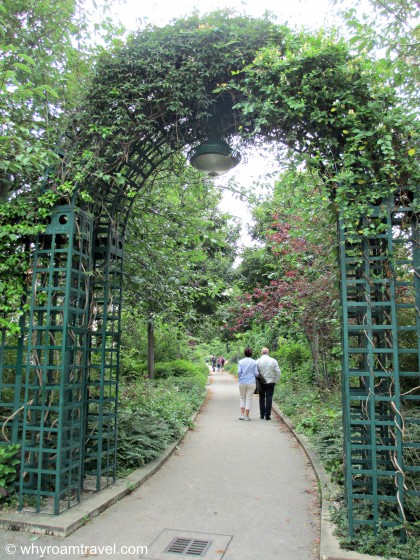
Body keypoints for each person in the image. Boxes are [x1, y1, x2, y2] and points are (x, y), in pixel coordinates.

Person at [256, 347, 281, 421]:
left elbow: (256, 373)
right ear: (268, 352)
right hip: (271, 382)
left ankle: (262, 414)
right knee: (269, 398)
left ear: (261, 352)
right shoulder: (273, 361)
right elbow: (278, 372)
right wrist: (276, 380)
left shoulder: (257, 361)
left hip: (261, 382)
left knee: (262, 397)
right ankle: (267, 415)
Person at [237, 347, 258, 421]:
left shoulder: (240, 362)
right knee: (249, 398)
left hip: (242, 382)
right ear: (251, 354)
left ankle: (242, 415)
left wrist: (240, 377)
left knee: (242, 398)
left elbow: (239, 372)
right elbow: (256, 373)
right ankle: (247, 416)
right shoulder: (254, 362)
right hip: (251, 382)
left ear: (244, 353)